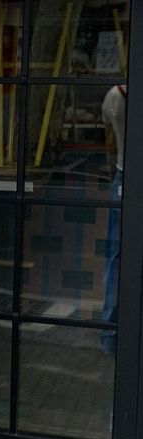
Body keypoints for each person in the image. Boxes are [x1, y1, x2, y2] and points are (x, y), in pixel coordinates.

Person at [100, 82, 126, 351]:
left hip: (122, 175)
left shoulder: (114, 95)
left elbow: (109, 142)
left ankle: (110, 336)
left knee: (115, 257)